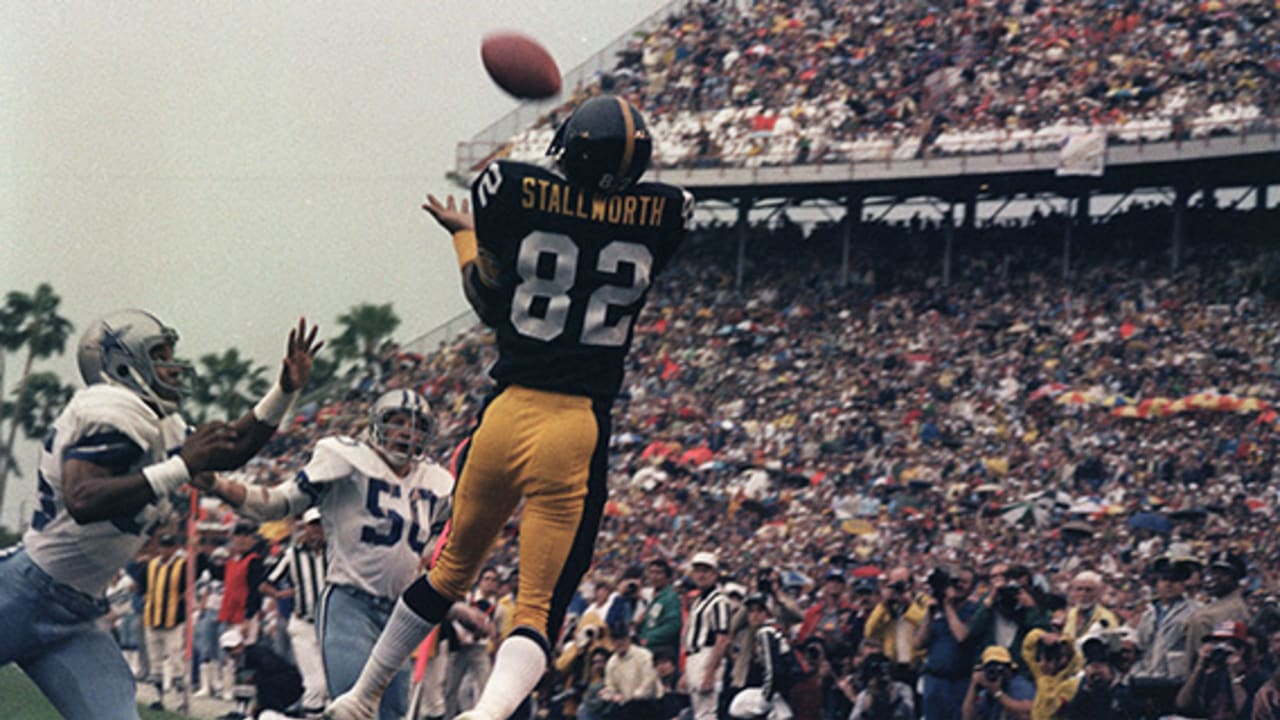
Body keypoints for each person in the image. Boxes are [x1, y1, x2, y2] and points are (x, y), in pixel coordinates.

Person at [326, 93, 692, 720]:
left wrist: (465, 240)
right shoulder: (664, 212)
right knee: (536, 605)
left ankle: (360, 697)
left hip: (504, 414)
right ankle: (487, 716)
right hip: (575, 424)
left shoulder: (515, 190)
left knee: (448, 573)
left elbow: (491, 302)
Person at [0, 309, 319, 720]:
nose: (171, 366)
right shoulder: (110, 406)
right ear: (120, 363)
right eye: (159, 354)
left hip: (76, 617)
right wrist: (181, 467)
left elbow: (232, 446)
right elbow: (83, 498)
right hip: (26, 591)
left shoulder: (160, 425)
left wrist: (284, 390)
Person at [194, 388, 458, 720]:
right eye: (398, 421)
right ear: (377, 424)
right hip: (350, 603)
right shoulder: (347, 457)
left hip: (399, 613)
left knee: (392, 715)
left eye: (417, 424)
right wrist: (219, 486)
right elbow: (279, 502)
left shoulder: (436, 481)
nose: (407, 431)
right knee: (354, 710)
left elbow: (448, 535)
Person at [260, 506, 329, 715]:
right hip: (304, 624)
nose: (317, 530)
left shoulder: (335, 552)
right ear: (305, 528)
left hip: (332, 625)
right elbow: (265, 584)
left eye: (321, 525)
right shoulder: (292, 555)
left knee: (333, 684)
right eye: (313, 525)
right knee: (316, 685)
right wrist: (280, 595)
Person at [915, 566, 979, 720]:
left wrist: (949, 607)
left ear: (972, 588)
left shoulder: (974, 610)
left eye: (964, 582)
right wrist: (930, 614)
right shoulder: (937, 610)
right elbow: (918, 644)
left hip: (959, 682)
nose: (958, 586)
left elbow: (962, 637)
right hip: (935, 681)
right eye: (955, 581)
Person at [727, 593, 796, 720]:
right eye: (751, 611)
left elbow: (773, 669)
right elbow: (732, 626)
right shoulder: (757, 633)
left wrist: (766, 697)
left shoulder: (766, 632)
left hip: (775, 694)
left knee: (736, 708)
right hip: (774, 694)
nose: (754, 615)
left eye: (759, 611)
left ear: (767, 613)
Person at [683, 551, 734, 720]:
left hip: (707, 655)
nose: (701, 574)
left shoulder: (719, 600)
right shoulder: (698, 600)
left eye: (706, 570)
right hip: (694, 656)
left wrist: (710, 671)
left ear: (715, 574)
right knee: (699, 711)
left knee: (707, 711)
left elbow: (722, 638)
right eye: (698, 570)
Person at [219, 626, 303, 719]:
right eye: (229, 649)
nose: (233, 651)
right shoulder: (242, 661)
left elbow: (271, 674)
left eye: (234, 647)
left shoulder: (256, 655)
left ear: (241, 644)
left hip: (287, 689)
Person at [599, 623, 662, 719]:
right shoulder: (611, 663)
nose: (619, 643)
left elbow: (647, 687)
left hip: (648, 704)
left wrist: (628, 698)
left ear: (629, 639)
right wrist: (609, 694)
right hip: (625, 705)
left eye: (623, 639)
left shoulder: (644, 655)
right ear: (611, 642)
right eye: (616, 640)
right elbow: (610, 686)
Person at [961, 646, 1035, 720]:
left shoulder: (1021, 686)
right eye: (990, 668)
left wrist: (998, 693)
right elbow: (967, 717)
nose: (996, 672)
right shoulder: (987, 690)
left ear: (1009, 668)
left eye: (1000, 667)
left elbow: (1028, 714)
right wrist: (974, 687)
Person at [637, 558, 682, 659]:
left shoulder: (671, 597)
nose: (654, 576)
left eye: (658, 573)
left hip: (663, 653)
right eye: (651, 572)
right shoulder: (655, 598)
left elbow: (673, 626)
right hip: (649, 651)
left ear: (667, 576)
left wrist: (647, 638)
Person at [1062, 570, 1119, 641]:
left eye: (1088, 590)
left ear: (1098, 593)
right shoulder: (1071, 613)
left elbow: (1113, 646)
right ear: (1073, 592)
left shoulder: (1107, 618)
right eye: (1079, 589)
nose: (1083, 593)